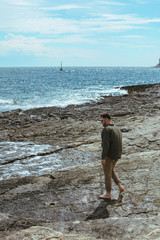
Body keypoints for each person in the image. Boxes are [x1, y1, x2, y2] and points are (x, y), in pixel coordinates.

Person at [99, 112, 124, 200]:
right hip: (117, 155)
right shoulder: (117, 128)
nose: (101, 123)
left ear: (106, 120)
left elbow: (105, 145)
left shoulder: (106, 129)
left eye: (101, 121)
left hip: (109, 156)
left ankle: (108, 194)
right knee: (111, 170)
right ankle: (120, 186)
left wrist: (103, 157)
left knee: (107, 174)